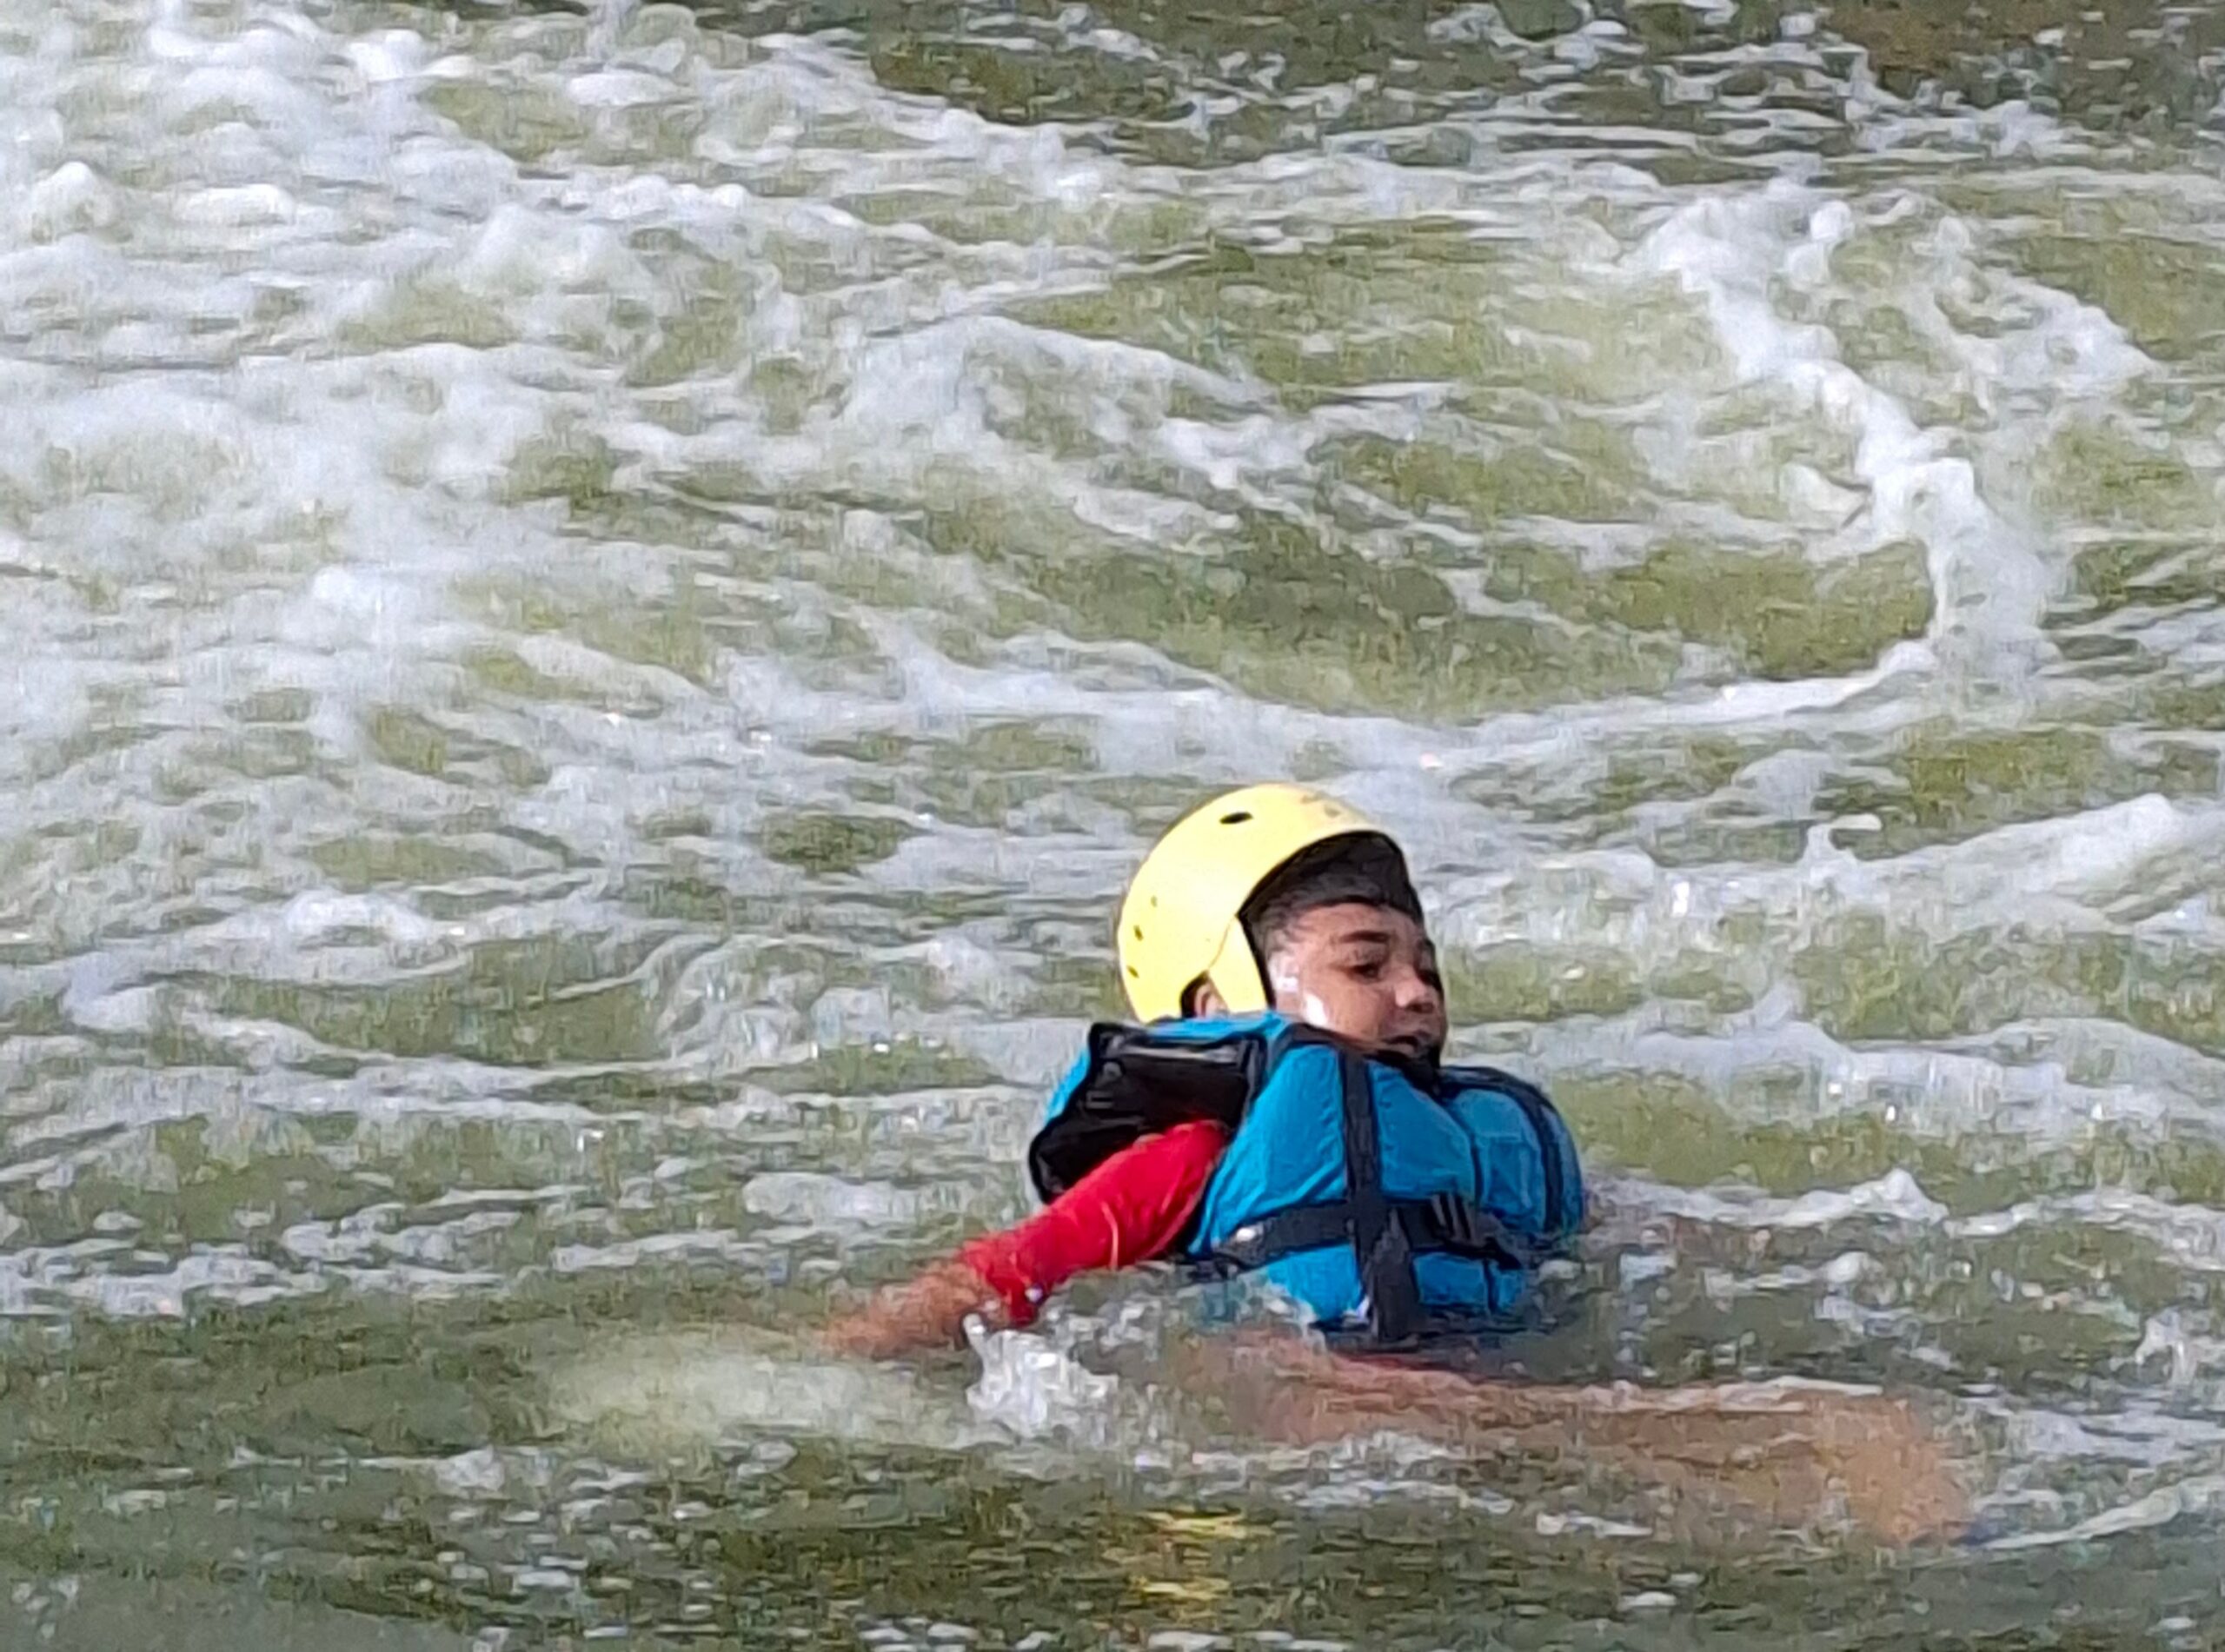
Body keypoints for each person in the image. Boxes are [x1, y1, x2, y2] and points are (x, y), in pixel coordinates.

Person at [824, 785, 1969, 1544]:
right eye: (1366, 964)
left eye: (1427, 965)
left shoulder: (1477, 1137)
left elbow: (1636, 1231)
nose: (1417, 992)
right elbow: (1001, 1275)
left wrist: (1817, 1247)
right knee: (1816, 1431)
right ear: (1218, 1006)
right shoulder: (1193, 1152)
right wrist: (827, 1363)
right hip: (1299, 1399)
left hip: (1450, 1395)